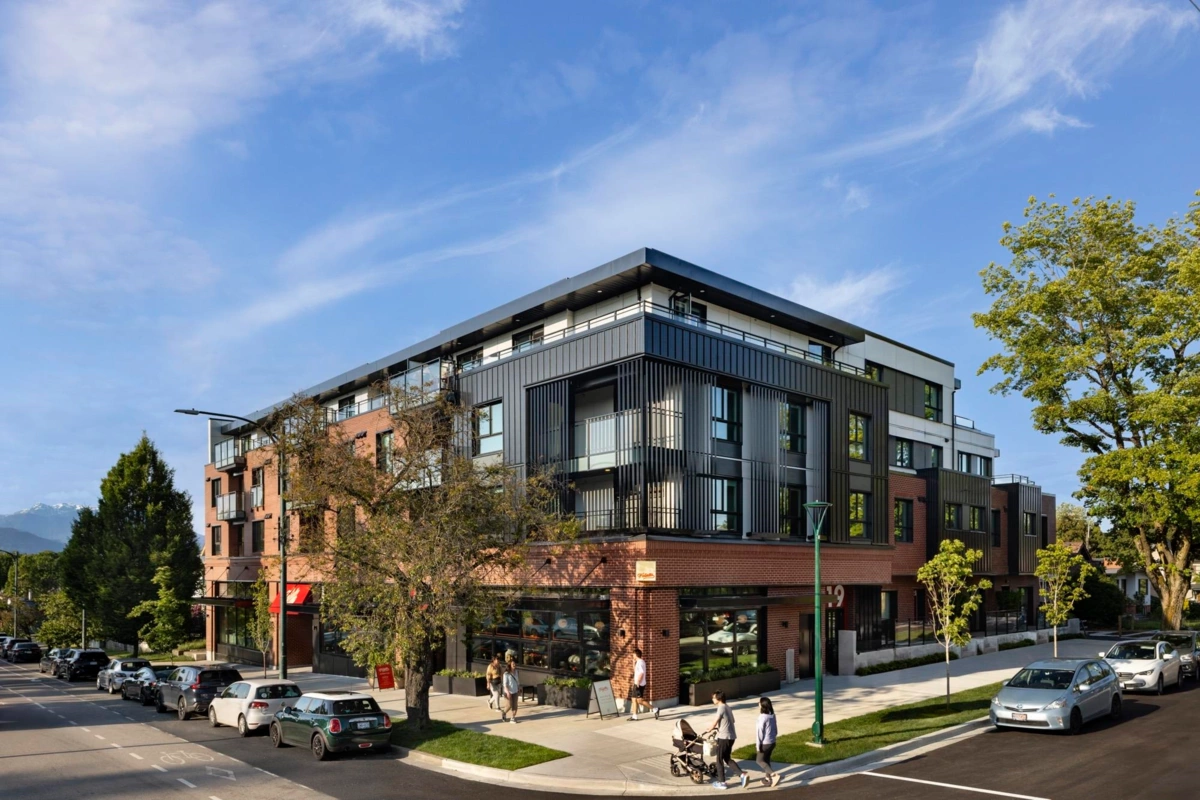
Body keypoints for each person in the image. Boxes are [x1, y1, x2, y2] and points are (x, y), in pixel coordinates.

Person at [703, 690, 746, 790]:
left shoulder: (721, 707)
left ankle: (722, 782)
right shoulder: (727, 707)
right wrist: (721, 726)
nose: (712, 699)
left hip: (724, 738)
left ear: (719, 698)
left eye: (713, 698)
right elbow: (732, 720)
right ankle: (742, 775)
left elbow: (715, 721)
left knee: (719, 760)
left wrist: (710, 728)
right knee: (727, 758)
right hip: (731, 737)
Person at [628, 648, 659, 721]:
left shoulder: (641, 662)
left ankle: (655, 709)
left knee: (639, 701)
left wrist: (638, 681)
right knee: (633, 699)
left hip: (639, 684)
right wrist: (633, 663)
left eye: (633, 654)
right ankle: (634, 716)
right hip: (637, 683)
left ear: (636, 654)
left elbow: (641, 673)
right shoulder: (638, 662)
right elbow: (636, 671)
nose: (632, 655)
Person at [755, 696, 780, 787]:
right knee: (766, 760)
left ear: (763, 705)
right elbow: (775, 729)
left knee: (759, 760)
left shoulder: (762, 717)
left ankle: (774, 775)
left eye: (759, 702)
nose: (758, 703)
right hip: (772, 742)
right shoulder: (772, 715)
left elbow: (759, 733)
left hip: (765, 743)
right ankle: (767, 779)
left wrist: (758, 746)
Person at [501, 658, 520, 724]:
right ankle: (504, 712)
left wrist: (518, 688)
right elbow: (505, 684)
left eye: (515, 664)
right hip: (508, 692)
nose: (514, 665)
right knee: (509, 705)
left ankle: (513, 718)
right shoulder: (506, 674)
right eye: (513, 664)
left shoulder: (516, 672)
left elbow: (517, 681)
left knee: (515, 705)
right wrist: (508, 692)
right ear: (509, 665)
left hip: (515, 691)